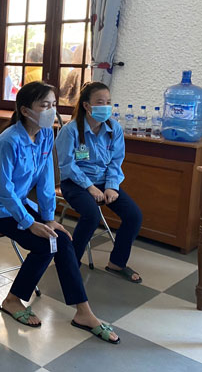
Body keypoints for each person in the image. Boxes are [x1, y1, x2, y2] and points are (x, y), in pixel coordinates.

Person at [0, 81, 120, 344]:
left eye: (53, 104)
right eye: (44, 105)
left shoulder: (45, 135)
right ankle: (13, 300)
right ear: (25, 110)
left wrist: (49, 217)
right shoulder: (7, 142)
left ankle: (83, 312)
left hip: (17, 203)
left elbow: (45, 179)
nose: (51, 110)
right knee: (45, 244)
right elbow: (3, 190)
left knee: (61, 238)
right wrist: (30, 222)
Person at [56, 82, 142, 283]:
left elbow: (116, 160)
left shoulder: (114, 128)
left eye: (108, 102)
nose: (105, 106)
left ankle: (117, 263)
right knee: (91, 216)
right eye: (100, 102)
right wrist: (90, 187)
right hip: (75, 183)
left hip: (105, 182)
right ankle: (70, 263)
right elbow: (67, 166)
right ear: (87, 105)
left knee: (134, 215)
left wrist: (111, 185)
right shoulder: (70, 131)